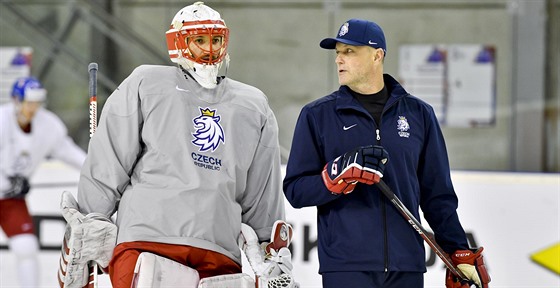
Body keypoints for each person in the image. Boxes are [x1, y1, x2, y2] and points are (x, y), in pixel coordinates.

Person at [74, 2, 286, 287]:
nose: (209, 49)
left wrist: (269, 250)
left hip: (217, 250)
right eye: (199, 40)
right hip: (147, 241)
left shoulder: (254, 105)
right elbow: (110, 158)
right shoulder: (146, 83)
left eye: (215, 40)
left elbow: (263, 189)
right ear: (178, 42)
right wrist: (91, 220)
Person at [283, 18, 491, 288]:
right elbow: (296, 190)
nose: (339, 60)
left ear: (377, 56)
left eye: (350, 52)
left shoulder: (419, 114)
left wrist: (457, 249)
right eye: (338, 53)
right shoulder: (317, 116)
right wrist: (333, 177)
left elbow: (437, 195)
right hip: (346, 267)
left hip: (407, 267)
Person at [0, 76, 86, 287]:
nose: (33, 108)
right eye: (29, 102)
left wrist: (94, 169)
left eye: (36, 103)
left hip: (11, 201)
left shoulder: (48, 125)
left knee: (26, 247)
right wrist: (5, 183)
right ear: (16, 100)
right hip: (8, 191)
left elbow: (68, 152)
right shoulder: (1, 120)